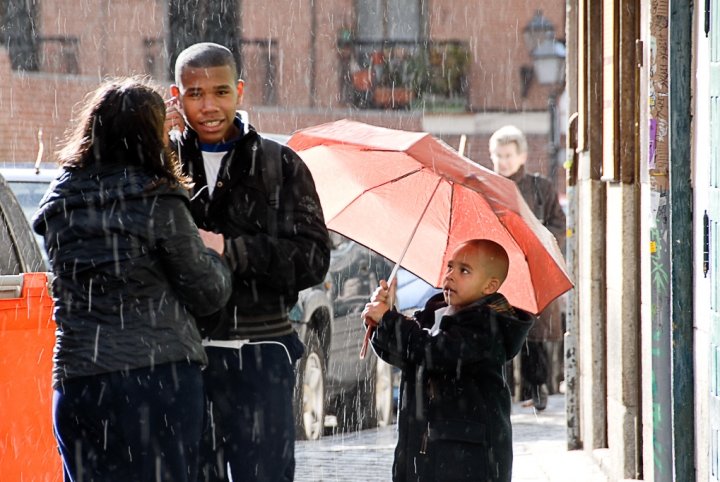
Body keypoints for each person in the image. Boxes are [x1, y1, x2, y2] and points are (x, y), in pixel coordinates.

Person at [32, 78, 233, 481]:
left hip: (79, 379)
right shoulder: (156, 196)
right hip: (157, 380)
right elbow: (207, 292)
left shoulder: (59, 202)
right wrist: (217, 256)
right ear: (148, 135)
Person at [165, 43, 331, 481]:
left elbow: (314, 259)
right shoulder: (160, 163)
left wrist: (231, 249)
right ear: (176, 96)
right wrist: (147, 145)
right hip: (182, 359)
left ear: (239, 91)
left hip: (261, 358)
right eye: (195, 94)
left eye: (220, 92)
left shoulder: (280, 164)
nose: (209, 106)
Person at [362, 239, 534, 482]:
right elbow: (408, 355)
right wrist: (381, 322)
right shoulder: (436, 312)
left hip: (465, 456)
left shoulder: (485, 325)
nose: (451, 275)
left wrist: (391, 321)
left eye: (464, 270)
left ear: (490, 285)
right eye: (450, 267)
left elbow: (437, 353)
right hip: (424, 448)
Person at [488, 125, 566, 410]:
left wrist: (539, 239)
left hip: (533, 270)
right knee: (498, 332)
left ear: (522, 156)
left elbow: (559, 224)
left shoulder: (540, 187)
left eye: (509, 155)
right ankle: (502, 391)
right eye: (498, 155)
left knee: (535, 334)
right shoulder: (484, 187)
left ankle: (537, 388)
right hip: (498, 271)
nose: (503, 161)